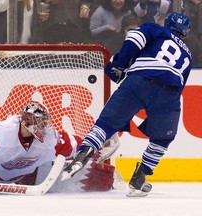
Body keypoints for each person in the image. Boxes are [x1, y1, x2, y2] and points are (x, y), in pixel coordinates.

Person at [62, 12, 192, 197]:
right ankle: (140, 176)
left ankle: (85, 151)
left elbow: (134, 37)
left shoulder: (155, 29)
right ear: (185, 33)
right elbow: (179, 86)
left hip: (139, 81)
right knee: (162, 138)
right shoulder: (188, 54)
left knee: (107, 123)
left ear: (166, 23)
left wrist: (121, 64)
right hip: (169, 93)